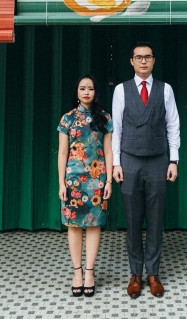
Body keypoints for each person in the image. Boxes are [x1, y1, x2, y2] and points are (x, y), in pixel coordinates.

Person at [112, 41, 180, 299]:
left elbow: (173, 125)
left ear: (153, 61)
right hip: (129, 161)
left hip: (157, 161)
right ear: (131, 61)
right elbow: (116, 129)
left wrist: (173, 160)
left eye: (147, 57)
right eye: (138, 57)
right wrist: (117, 163)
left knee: (155, 219)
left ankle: (153, 273)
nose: (143, 61)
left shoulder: (165, 90)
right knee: (132, 220)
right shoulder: (121, 90)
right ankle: (135, 274)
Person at [57, 74, 114, 298]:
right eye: (82, 88)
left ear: (95, 92)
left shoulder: (104, 118)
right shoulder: (67, 119)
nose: (86, 92)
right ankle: (77, 273)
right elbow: (63, 153)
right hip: (72, 181)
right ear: (77, 92)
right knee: (73, 225)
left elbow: (108, 151)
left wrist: (108, 180)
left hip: (96, 181)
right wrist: (61, 182)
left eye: (90, 88)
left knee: (93, 225)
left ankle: (89, 272)